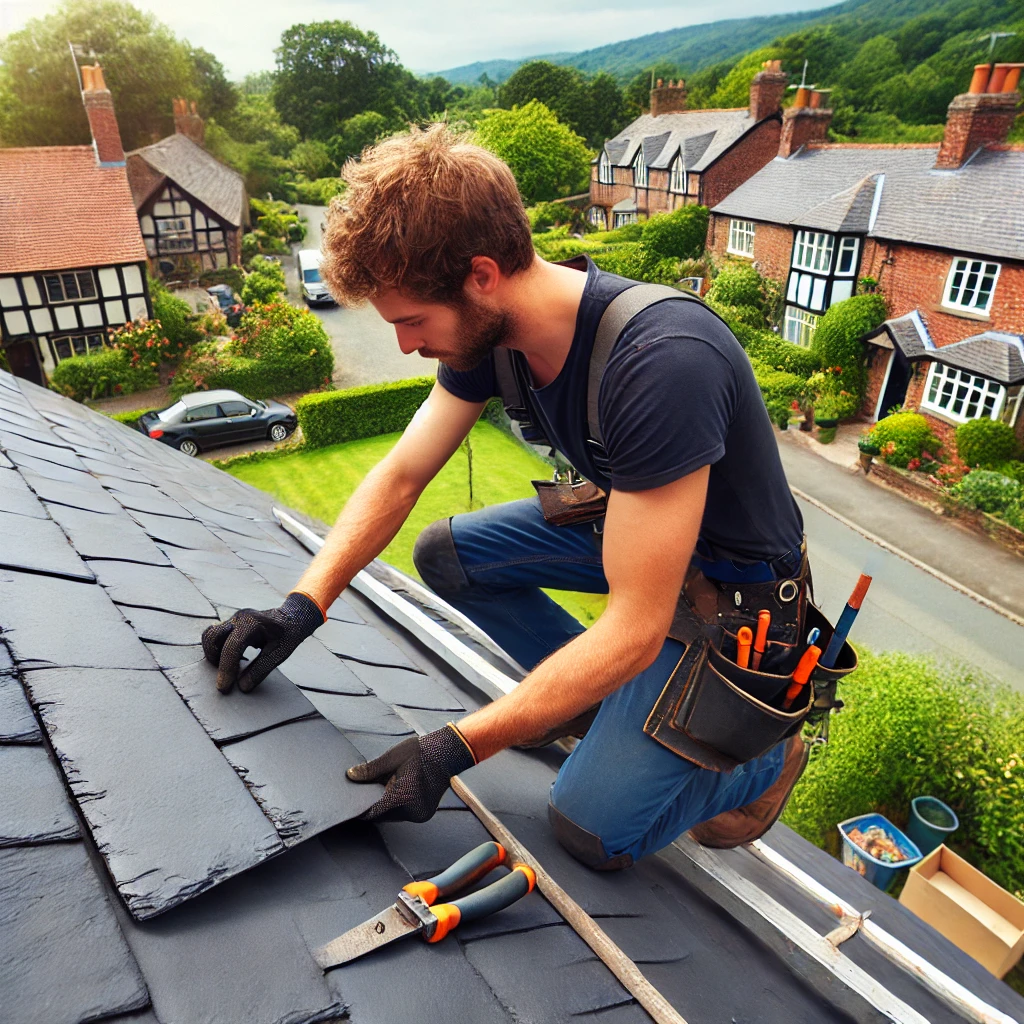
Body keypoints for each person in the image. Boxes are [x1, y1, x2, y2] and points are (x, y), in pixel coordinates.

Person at [201, 125, 818, 871]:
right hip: (642, 533)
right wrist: (303, 604)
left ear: (482, 275)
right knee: (448, 555)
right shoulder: (493, 339)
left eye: (411, 322)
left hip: (735, 597)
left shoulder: (663, 363)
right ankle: (591, 704)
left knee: (586, 829)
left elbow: (635, 627)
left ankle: (763, 755)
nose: (403, 347)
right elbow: (402, 474)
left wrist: (454, 747)